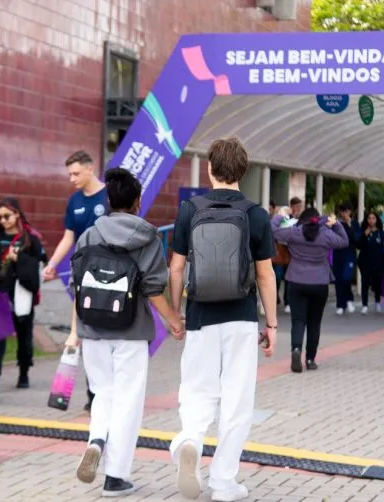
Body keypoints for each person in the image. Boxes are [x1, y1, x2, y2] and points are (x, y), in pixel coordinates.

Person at [168, 138, 277, 502]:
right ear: (243, 172)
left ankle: (190, 443)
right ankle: (224, 483)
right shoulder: (255, 214)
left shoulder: (189, 210)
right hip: (241, 319)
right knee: (237, 399)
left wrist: (176, 312)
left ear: (210, 169)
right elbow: (265, 276)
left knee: (197, 391)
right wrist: (272, 325)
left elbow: (177, 267)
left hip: (200, 316)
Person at [66, 168, 185, 497]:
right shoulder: (147, 236)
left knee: (103, 393)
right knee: (128, 402)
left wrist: (76, 331)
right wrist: (174, 321)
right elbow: (153, 289)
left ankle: (95, 441)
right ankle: (115, 476)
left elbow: (78, 284)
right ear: (137, 202)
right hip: (131, 329)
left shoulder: (90, 234)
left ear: (108, 201)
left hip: (93, 328)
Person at [42, 150, 107, 410]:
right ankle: (93, 395)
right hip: (82, 273)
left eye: (76, 173)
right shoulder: (74, 201)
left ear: (91, 169)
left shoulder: (110, 196)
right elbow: (68, 237)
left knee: (104, 332)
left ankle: (104, 390)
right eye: (69, 174)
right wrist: (52, 264)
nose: (72, 179)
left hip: (109, 274)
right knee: (85, 331)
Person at [0, 198, 45, 392]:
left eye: (7, 216)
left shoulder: (29, 238)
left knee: (24, 335)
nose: (4, 220)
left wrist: (19, 258)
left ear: (17, 214)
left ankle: (23, 373)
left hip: (21, 291)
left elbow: (39, 263)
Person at [275, 208, 348, 373]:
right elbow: (344, 241)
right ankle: (310, 359)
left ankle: (296, 350)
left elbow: (273, 231)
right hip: (319, 283)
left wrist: (279, 216)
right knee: (314, 322)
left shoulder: (294, 233)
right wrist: (335, 224)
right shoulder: (326, 234)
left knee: (298, 320)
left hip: (296, 281)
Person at [357, 211, 384, 314]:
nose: (371, 220)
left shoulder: (381, 233)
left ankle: (377, 302)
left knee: (377, 284)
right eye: (369, 218)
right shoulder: (363, 232)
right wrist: (365, 234)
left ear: (377, 220)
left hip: (378, 263)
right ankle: (364, 305)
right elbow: (358, 245)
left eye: (373, 218)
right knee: (364, 283)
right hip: (364, 262)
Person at [332, 203, 359, 315]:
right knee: (338, 280)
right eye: (342, 211)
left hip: (349, 255)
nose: (344, 214)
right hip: (338, 254)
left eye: (347, 211)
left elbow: (356, 239)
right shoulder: (336, 224)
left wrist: (349, 225)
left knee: (346, 278)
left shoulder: (354, 224)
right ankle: (340, 304)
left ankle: (349, 299)